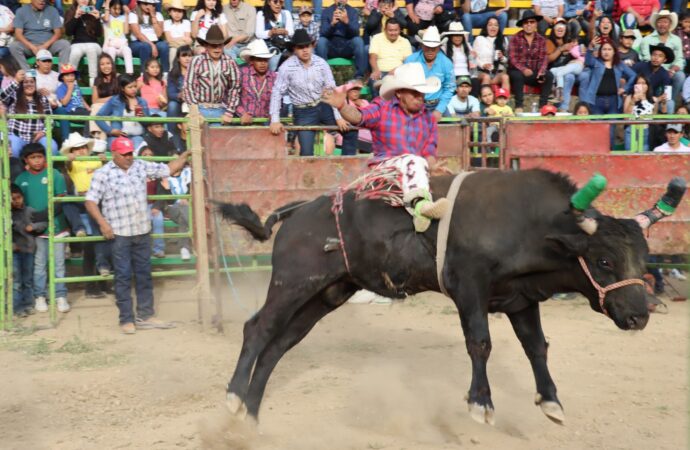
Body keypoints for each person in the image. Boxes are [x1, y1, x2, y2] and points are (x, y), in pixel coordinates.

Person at [322, 62, 449, 233]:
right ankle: (420, 206)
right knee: (414, 159)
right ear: (399, 93)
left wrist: (433, 166)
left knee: (423, 165)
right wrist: (342, 106)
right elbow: (359, 117)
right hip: (386, 168)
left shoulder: (428, 119)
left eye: (422, 93)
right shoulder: (383, 108)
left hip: (417, 168)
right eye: (414, 92)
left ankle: (422, 210)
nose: (420, 96)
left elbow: (429, 151)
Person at [85, 137, 191, 334]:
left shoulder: (140, 166)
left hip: (141, 230)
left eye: (130, 153)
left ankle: (145, 315)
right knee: (123, 276)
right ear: (114, 154)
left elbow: (167, 169)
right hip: (120, 232)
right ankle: (127, 318)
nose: (128, 157)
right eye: (124, 154)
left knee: (143, 275)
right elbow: (91, 201)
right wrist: (103, 223)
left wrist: (184, 156)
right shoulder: (103, 174)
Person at [269, 28, 354, 156]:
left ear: (312, 46)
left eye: (307, 46)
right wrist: (275, 119)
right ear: (294, 49)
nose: (305, 50)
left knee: (351, 132)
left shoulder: (321, 63)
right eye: (300, 47)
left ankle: (348, 167)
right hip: (303, 111)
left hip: (324, 105)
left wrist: (338, 117)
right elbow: (277, 93)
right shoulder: (286, 67)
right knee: (307, 152)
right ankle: (308, 175)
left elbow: (331, 90)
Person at [14, 143, 70, 313]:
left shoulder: (55, 174)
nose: (37, 161)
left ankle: (60, 295)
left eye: (40, 156)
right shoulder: (21, 179)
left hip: (56, 226)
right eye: (33, 157)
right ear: (26, 160)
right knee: (39, 265)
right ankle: (40, 296)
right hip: (35, 231)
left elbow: (60, 202)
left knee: (59, 263)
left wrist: (39, 217)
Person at [582, 36, 636, 146]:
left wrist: (624, 89)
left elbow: (633, 75)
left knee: (611, 131)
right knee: (598, 130)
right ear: (600, 51)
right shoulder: (596, 63)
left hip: (613, 101)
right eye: (604, 49)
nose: (606, 52)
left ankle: (610, 154)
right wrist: (591, 47)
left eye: (609, 49)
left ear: (614, 52)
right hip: (596, 101)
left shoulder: (619, 65)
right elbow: (587, 60)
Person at [183, 24, 241, 124]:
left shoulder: (230, 62)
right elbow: (189, 86)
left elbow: (235, 87)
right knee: (197, 138)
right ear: (206, 46)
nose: (217, 48)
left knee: (218, 139)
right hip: (199, 108)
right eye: (213, 45)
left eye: (220, 45)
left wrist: (229, 112)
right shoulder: (196, 61)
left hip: (220, 109)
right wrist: (194, 110)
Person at [0, 69, 58, 157]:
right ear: (21, 84)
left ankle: (46, 170)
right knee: (14, 146)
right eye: (25, 82)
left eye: (32, 82)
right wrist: (16, 81)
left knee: (52, 146)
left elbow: (50, 120)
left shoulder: (42, 99)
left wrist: (43, 132)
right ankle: (16, 169)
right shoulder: (14, 96)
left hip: (36, 138)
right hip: (17, 136)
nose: (29, 84)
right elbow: (3, 97)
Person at [404, 26, 455, 119]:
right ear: (422, 45)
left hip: (437, 103)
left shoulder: (446, 63)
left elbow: (449, 88)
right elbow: (404, 84)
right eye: (427, 47)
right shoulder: (411, 60)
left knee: (452, 127)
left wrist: (439, 109)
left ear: (439, 47)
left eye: (434, 48)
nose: (430, 51)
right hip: (414, 102)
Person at [508, 11, 555, 112]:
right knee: (517, 75)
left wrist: (541, 72)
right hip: (518, 71)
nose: (529, 24)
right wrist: (523, 69)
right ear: (522, 25)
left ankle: (542, 106)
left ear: (536, 24)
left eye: (532, 22)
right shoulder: (515, 38)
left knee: (549, 75)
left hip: (534, 71)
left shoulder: (541, 40)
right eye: (526, 22)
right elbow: (512, 59)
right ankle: (519, 106)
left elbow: (543, 59)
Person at [11, 183, 45, 317]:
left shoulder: (29, 211)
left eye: (18, 197)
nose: (16, 201)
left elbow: (44, 222)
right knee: (16, 280)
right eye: (12, 199)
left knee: (27, 279)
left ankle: (28, 304)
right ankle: (17, 307)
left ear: (23, 197)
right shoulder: (6, 214)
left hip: (28, 250)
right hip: (14, 252)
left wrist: (33, 226)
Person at [9, 0, 70, 70]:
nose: (42, 1)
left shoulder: (52, 10)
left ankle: (63, 75)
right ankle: (28, 74)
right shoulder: (21, 11)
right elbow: (18, 34)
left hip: (49, 46)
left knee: (65, 44)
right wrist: (32, 47)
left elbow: (58, 33)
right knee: (14, 46)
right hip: (29, 46)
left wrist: (45, 45)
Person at [639, 11, 685, 102]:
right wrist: (663, 71)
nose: (662, 24)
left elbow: (680, 59)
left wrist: (672, 70)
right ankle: (650, 100)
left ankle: (670, 100)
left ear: (670, 24)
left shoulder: (676, 40)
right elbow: (647, 58)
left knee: (680, 76)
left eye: (665, 22)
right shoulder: (647, 39)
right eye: (660, 22)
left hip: (670, 71)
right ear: (656, 24)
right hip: (652, 70)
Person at [316, 0, 367, 79]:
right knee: (321, 42)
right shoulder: (326, 11)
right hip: (331, 47)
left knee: (358, 41)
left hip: (347, 47)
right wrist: (332, 24)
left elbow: (356, 32)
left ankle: (359, 77)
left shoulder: (353, 11)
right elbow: (322, 33)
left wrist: (347, 22)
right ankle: (324, 77)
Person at [96, 73, 149, 147]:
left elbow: (148, 124)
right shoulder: (115, 101)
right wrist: (110, 130)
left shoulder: (142, 101)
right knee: (120, 149)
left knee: (139, 150)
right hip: (118, 137)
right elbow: (98, 117)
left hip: (138, 136)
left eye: (135, 86)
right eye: (130, 87)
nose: (133, 89)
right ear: (122, 88)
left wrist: (143, 117)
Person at [237, 39, 277, 125]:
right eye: (259, 60)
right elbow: (230, 96)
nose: (263, 63)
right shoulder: (242, 74)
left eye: (265, 60)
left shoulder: (274, 77)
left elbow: (278, 99)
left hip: (266, 122)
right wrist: (242, 113)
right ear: (252, 61)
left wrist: (273, 113)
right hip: (245, 123)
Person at [368, 17, 412, 96]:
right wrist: (376, 70)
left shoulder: (405, 41)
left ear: (400, 30)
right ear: (385, 30)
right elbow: (372, 57)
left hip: (398, 73)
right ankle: (377, 105)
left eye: (396, 30)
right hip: (380, 72)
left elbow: (408, 62)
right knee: (373, 79)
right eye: (390, 30)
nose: (393, 33)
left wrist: (397, 70)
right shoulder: (377, 38)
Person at [547, 18, 584, 108]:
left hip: (569, 69)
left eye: (563, 26)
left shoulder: (570, 41)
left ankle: (564, 106)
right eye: (557, 25)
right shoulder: (549, 42)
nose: (560, 28)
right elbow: (548, 59)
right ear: (553, 29)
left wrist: (579, 55)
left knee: (570, 76)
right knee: (555, 73)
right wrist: (561, 49)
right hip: (557, 70)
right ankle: (555, 95)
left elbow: (580, 52)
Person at [65, 0, 103, 84]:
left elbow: (99, 34)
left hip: (93, 43)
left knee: (91, 49)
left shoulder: (93, 11)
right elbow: (68, 32)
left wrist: (97, 19)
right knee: (75, 52)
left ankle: (93, 82)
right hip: (77, 43)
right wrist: (75, 16)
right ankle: (71, 82)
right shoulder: (70, 11)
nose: (84, 0)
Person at [623, 74, 664, 150]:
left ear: (647, 85)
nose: (641, 85)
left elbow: (653, 119)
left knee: (644, 157)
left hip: (646, 131)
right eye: (638, 83)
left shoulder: (654, 100)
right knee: (629, 157)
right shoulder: (629, 97)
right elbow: (626, 119)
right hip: (631, 130)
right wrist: (633, 101)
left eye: (643, 83)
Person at [129, 0, 170, 73]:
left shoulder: (158, 15)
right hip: (138, 43)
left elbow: (159, 34)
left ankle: (165, 74)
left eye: (153, 5)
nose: (150, 6)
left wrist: (153, 16)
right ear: (140, 4)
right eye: (146, 4)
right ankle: (144, 75)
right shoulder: (133, 14)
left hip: (156, 41)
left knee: (164, 46)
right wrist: (152, 45)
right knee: (145, 46)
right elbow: (138, 35)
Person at [473, 16, 510, 93]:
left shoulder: (503, 39)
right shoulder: (479, 39)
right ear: (486, 27)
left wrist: (502, 58)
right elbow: (474, 58)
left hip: (497, 72)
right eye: (490, 25)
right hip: (482, 72)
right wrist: (483, 65)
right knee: (486, 77)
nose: (493, 27)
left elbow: (508, 60)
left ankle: (504, 100)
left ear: (499, 27)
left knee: (505, 77)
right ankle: (484, 102)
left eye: (496, 25)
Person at [255, 0, 294, 71]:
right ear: (269, 2)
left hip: (284, 44)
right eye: (275, 1)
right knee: (275, 53)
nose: (278, 4)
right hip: (268, 45)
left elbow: (291, 32)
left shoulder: (286, 13)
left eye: (281, 2)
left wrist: (285, 31)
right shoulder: (261, 14)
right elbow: (258, 34)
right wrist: (271, 32)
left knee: (291, 54)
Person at [633, 43, 674, 112]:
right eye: (654, 55)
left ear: (664, 60)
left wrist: (659, 98)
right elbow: (627, 80)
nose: (656, 58)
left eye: (660, 56)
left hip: (653, 99)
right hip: (636, 96)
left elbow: (666, 94)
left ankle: (666, 122)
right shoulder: (639, 66)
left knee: (670, 103)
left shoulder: (664, 74)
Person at [55, 63, 91, 139]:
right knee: (90, 116)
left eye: (72, 75)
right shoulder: (61, 88)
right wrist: (70, 89)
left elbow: (81, 98)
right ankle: (86, 137)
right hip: (71, 111)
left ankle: (91, 137)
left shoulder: (76, 86)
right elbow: (64, 103)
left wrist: (88, 108)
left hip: (82, 110)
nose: (70, 78)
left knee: (93, 114)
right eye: (67, 76)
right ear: (62, 78)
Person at [102, 0, 134, 75]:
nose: (117, 11)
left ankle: (129, 73)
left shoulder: (122, 17)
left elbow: (126, 32)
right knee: (112, 50)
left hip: (120, 45)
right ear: (110, 8)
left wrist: (126, 15)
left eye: (119, 9)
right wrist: (107, 4)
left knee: (127, 49)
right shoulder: (105, 15)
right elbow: (106, 19)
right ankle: (111, 73)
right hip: (109, 45)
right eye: (114, 9)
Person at [166, 44, 192, 134]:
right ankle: (171, 135)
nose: (187, 59)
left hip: (194, 100)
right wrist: (180, 95)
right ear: (178, 58)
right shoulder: (173, 74)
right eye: (184, 56)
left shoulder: (197, 72)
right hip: (179, 100)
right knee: (172, 105)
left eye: (189, 56)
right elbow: (170, 93)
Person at [164, 0, 192, 68]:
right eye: (174, 11)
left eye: (180, 11)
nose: (177, 14)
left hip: (184, 47)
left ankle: (187, 72)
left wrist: (176, 40)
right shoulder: (167, 23)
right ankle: (172, 72)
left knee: (186, 51)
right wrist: (182, 38)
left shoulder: (186, 22)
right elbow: (169, 39)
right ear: (170, 12)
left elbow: (187, 40)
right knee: (173, 51)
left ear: (183, 13)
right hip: (172, 47)